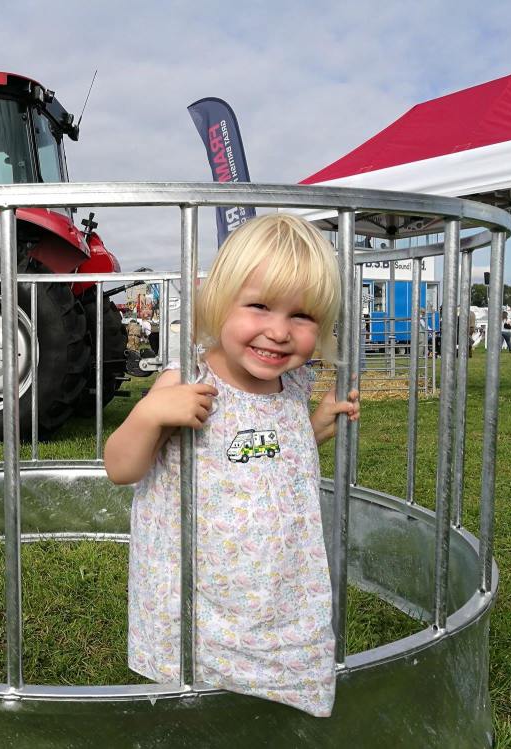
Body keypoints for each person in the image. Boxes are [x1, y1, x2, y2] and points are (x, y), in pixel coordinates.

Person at [104, 214, 360, 718]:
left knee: (274, 697)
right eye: (259, 306)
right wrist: (152, 413)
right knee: (197, 698)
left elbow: (264, 459)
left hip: (274, 579)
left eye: (302, 316)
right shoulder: (188, 383)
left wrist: (314, 429)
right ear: (221, 301)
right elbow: (120, 467)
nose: (279, 332)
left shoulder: (294, 386)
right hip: (199, 587)